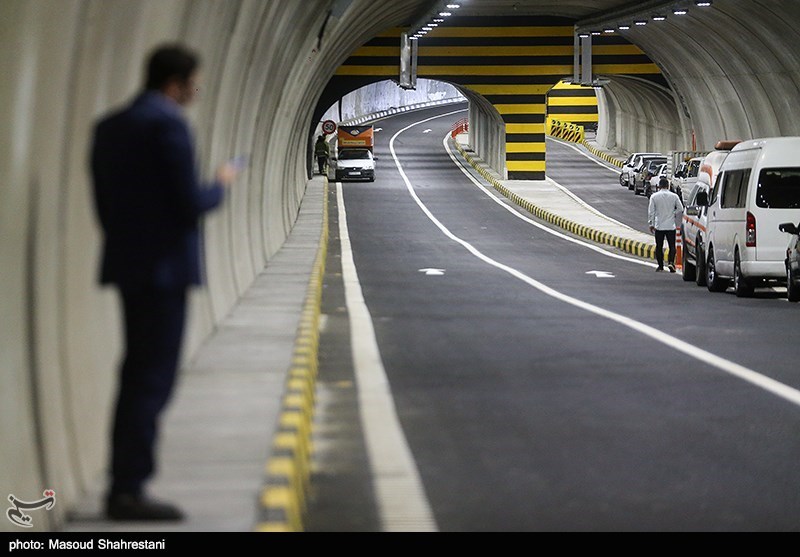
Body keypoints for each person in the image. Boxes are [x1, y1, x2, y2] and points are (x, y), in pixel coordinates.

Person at [90, 43, 238, 521]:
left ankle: (124, 483)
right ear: (175, 84)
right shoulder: (169, 126)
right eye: (193, 82)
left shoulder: (110, 127)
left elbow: (106, 204)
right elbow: (190, 202)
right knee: (152, 380)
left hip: (129, 267)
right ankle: (128, 490)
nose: (196, 90)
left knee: (135, 376)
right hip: (165, 273)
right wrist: (221, 182)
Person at [648, 177, 683, 273]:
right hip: (671, 225)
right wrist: (673, 213)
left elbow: (651, 212)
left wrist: (651, 223)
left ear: (659, 186)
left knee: (659, 246)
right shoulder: (674, 196)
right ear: (668, 186)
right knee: (672, 245)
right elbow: (680, 208)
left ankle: (660, 266)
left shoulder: (654, 197)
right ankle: (671, 262)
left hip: (659, 225)